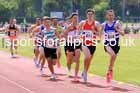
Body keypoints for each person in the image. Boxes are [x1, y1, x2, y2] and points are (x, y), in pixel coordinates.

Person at [101, 9, 124, 83]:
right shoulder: (104, 24)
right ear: (107, 16)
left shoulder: (117, 23)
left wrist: (117, 30)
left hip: (115, 45)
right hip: (107, 44)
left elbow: (123, 33)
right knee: (113, 55)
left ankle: (110, 70)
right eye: (109, 15)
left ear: (114, 16)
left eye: (112, 15)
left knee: (113, 60)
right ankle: (109, 71)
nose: (111, 17)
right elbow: (99, 32)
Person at [79, 8, 101, 83]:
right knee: (87, 56)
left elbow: (100, 34)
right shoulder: (83, 22)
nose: (90, 16)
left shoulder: (96, 23)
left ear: (93, 15)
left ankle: (84, 72)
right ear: (86, 15)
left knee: (89, 60)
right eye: (88, 14)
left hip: (93, 44)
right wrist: (80, 34)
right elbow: (78, 31)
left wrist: (94, 31)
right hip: (85, 43)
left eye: (91, 14)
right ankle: (85, 73)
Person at [64, 13, 81, 81]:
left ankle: (76, 76)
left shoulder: (80, 26)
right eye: (74, 18)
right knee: (69, 60)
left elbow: (82, 33)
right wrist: (69, 39)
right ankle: (69, 70)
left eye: (77, 18)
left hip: (77, 43)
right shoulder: (69, 27)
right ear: (72, 19)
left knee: (77, 60)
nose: (76, 19)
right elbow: (64, 35)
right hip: (69, 44)